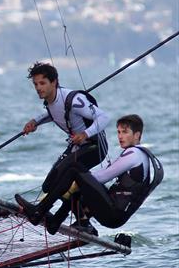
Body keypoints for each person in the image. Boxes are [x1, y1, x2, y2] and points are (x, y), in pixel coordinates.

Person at [16, 114, 162, 234]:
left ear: (137, 135)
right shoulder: (142, 154)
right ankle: (65, 222)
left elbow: (102, 177)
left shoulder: (134, 154)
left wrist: (77, 178)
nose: (120, 136)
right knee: (79, 182)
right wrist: (81, 181)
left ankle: (38, 211)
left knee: (74, 168)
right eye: (118, 132)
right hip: (116, 214)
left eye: (125, 132)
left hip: (113, 213)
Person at [21, 61, 110, 232]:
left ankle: (40, 211)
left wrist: (85, 134)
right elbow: (53, 113)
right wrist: (35, 122)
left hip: (95, 146)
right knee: (49, 185)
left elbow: (104, 118)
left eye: (42, 83)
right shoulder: (50, 101)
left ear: (54, 82)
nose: (38, 88)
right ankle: (58, 220)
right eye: (35, 84)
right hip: (79, 147)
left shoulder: (74, 99)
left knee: (66, 175)